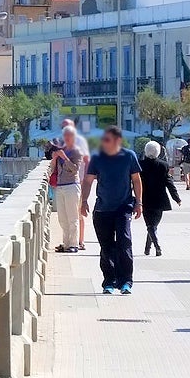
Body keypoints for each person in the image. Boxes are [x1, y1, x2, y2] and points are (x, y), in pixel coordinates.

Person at [81, 127, 143, 296]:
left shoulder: (129, 156)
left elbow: (136, 180)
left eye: (107, 139)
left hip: (123, 208)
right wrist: (84, 201)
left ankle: (126, 281)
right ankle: (109, 281)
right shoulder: (97, 158)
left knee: (125, 243)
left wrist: (139, 203)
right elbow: (88, 181)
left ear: (117, 140)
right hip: (102, 209)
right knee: (107, 247)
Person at [138, 142, 182, 256]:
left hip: (145, 199)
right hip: (159, 199)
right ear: (158, 152)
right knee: (152, 225)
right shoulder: (163, 165)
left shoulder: (140, 165)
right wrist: (176, 198)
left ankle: (148, 248)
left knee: (150, 225)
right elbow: (169, 182)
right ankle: (157, 247)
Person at [49, 123, 87, 253]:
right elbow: (53, 169)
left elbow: (75, 169)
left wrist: (64, 157)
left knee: (72, 217)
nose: (67, 138)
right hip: (60, 186)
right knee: (62, 218)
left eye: (69, 136)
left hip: (71, 185)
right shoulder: (61, 149)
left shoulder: (76, 151)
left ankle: (74, 244)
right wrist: (54, 159)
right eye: (65, 135)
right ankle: (65, 243)